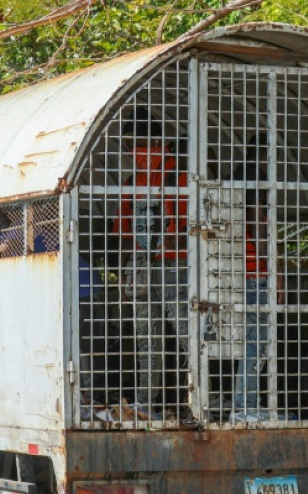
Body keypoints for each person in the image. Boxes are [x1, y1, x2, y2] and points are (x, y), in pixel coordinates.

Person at [112, 107, 189, 418]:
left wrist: (177, 240)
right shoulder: (133, 182)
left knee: (186, 335)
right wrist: (123, 277)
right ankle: (145, 404)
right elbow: (124, 234)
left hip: (176, 267)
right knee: (148, 339)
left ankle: (194, 403)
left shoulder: (178, 172)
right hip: (143, 268)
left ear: (154, 140)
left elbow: (194, 224)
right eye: (128, 146)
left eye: (136, 143)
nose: (132, 152)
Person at [224, 134, 284, 422]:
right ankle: (246, 405)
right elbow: (261, 233)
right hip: (255, 272)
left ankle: (244, 402)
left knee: (244, 342)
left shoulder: (234, 179)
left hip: (234, 273)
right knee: (256, 343)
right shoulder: (256, 182)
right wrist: (274, 270)